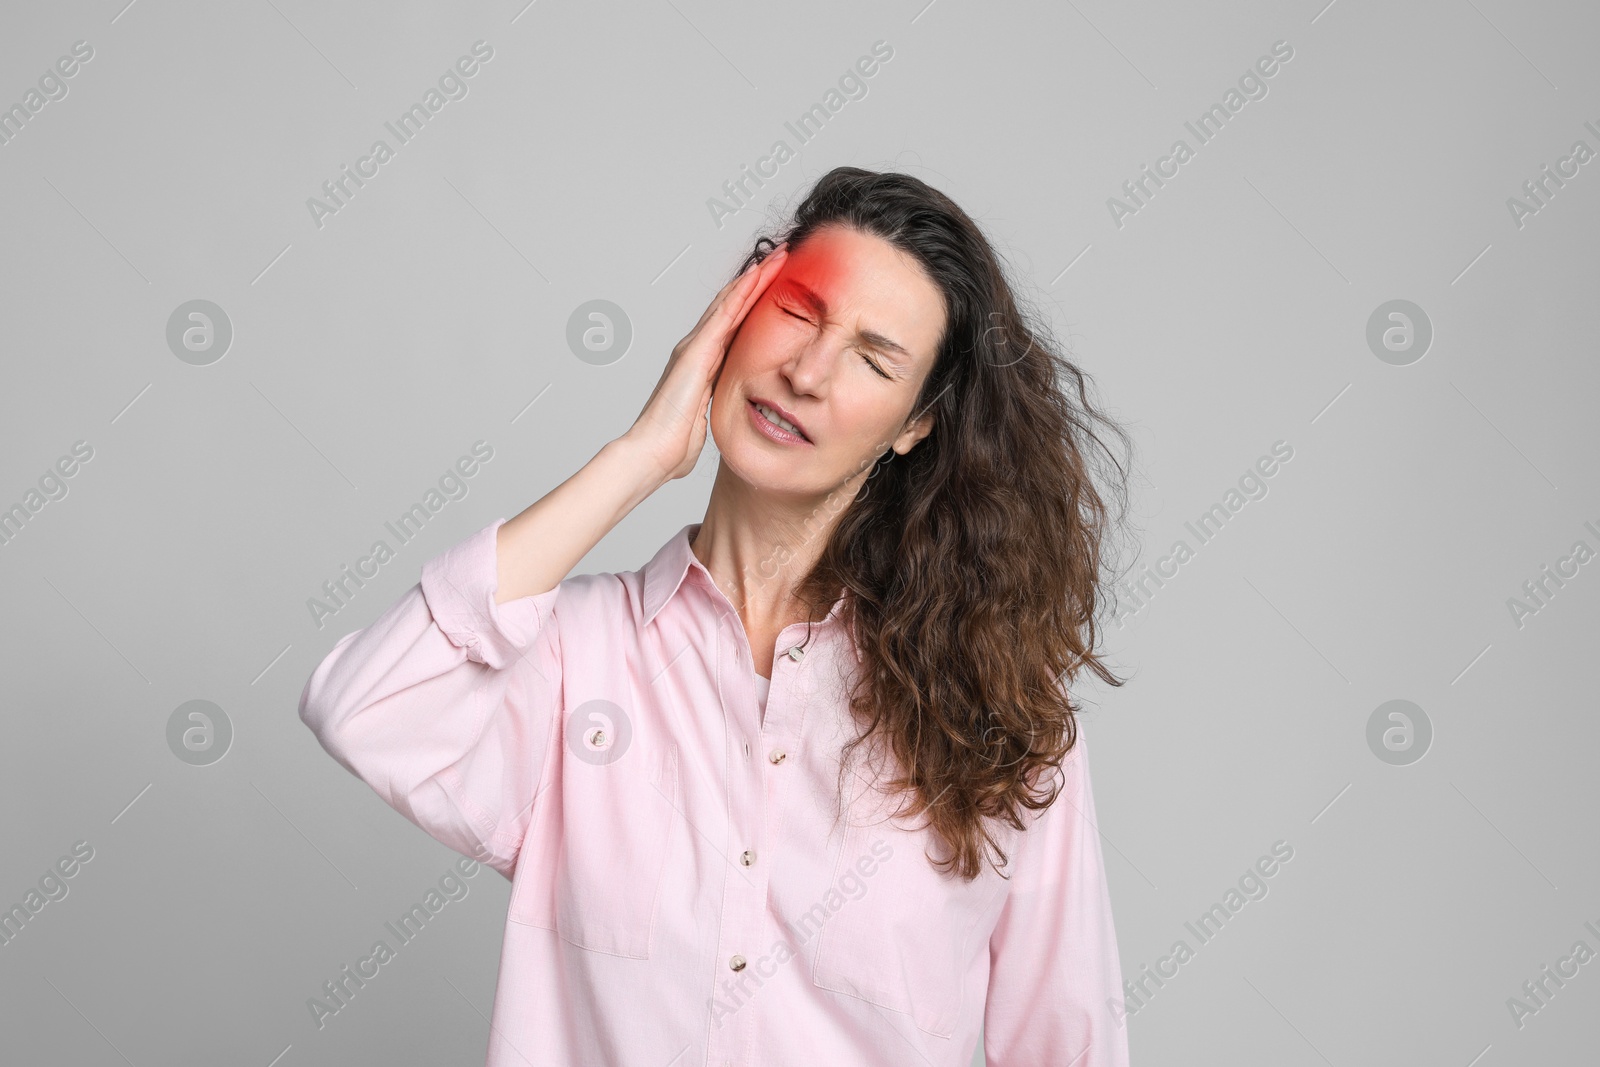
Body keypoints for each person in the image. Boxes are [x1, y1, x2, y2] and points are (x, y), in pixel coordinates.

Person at [299, 166, 1135, 1066]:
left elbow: (1070, 1042)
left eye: (872, 357)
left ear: (917, 424)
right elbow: (365, 708)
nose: (808, 371)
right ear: (733, 317)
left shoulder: (1001, 722)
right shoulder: (577, 658)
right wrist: (640, 455)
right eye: (798, 311)